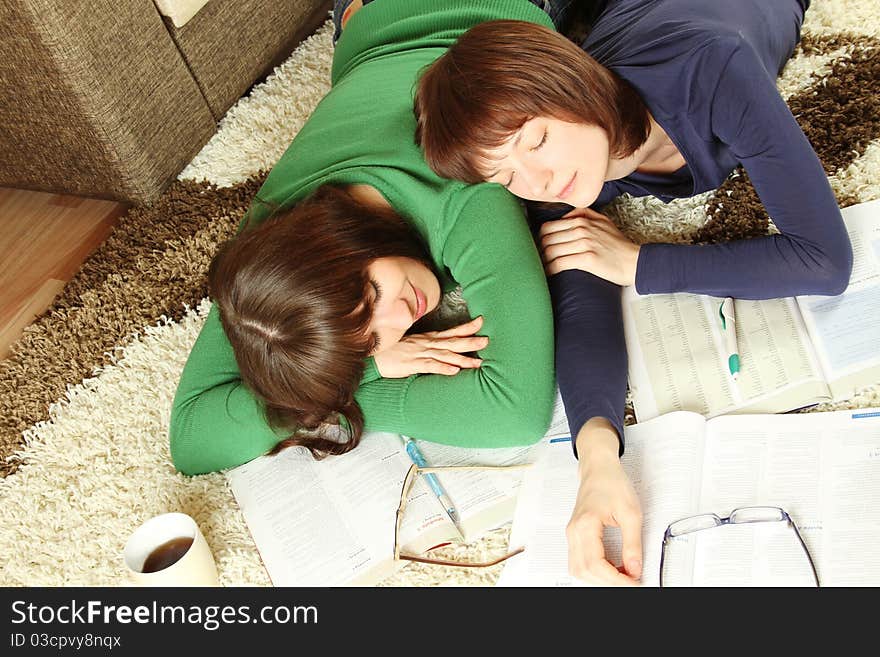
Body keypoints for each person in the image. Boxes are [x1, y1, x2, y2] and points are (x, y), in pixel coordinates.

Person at [414, 0, 853, 585]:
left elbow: (822, 260)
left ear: (571, 82)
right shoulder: (556, 175)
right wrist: (597, 458)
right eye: (507, 176)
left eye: (537, 139)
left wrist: (641, 262)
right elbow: (579, 296)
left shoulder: (714, 68)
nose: (537, 180)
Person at [169, 2, 586, 479]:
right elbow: (192, 440)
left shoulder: (461, 195)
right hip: (370, 31)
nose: (402, 317)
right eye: (370, 339)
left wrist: (340, 402)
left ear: (345, 241)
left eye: (372, 293)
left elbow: (515, 411)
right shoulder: (269, 267)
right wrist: (356, 374)